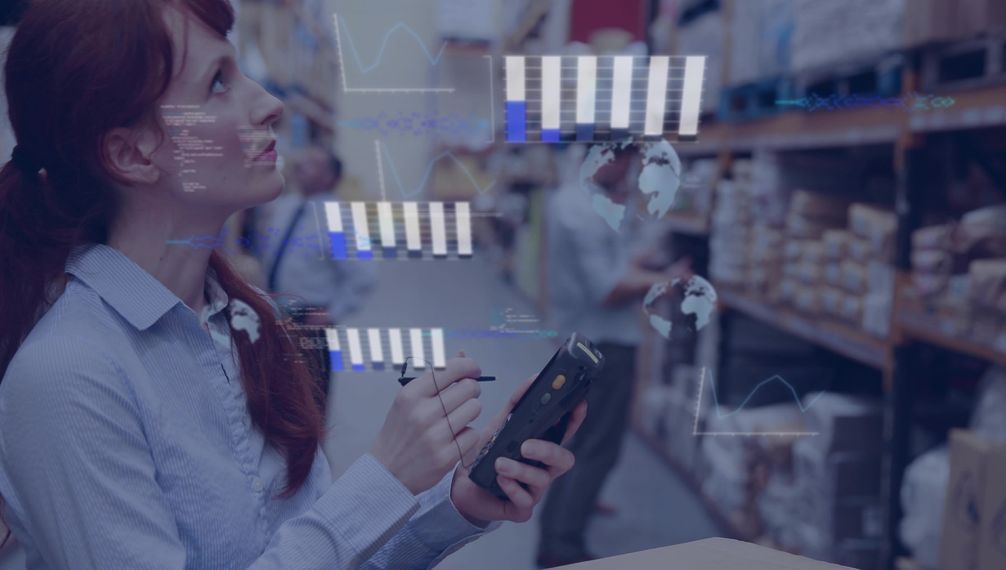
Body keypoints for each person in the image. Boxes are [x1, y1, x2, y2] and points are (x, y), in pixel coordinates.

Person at [0, 1, 585, 568]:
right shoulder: (70, 376)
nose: (271, 104)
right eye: (219, 83)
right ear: (131, 153)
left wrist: (456, 505)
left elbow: (326, 554)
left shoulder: (246, 327)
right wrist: (384, 478)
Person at [538, 145, 690, 567]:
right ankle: (561, 547)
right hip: (602, 345)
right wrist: (667, 281)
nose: (629, 172)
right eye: (626, 162)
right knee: (597, 448)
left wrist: (647, 261)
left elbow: (613, 262)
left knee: (580, 442)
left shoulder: (581, 201)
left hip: (586, 340)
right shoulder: (582, 210)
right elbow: (606, 290)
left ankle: (560, 528)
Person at [254, 145, 377, 411]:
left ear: (330, 178)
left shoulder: (339, 220)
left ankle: (311, 451)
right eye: (304, 160)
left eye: (313, 163)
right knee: (279, 395)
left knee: (310, 399)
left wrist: (333, 313)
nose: (301, 166)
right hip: (274, 315)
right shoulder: (287, 206)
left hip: (308, 320)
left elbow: (364, 274)